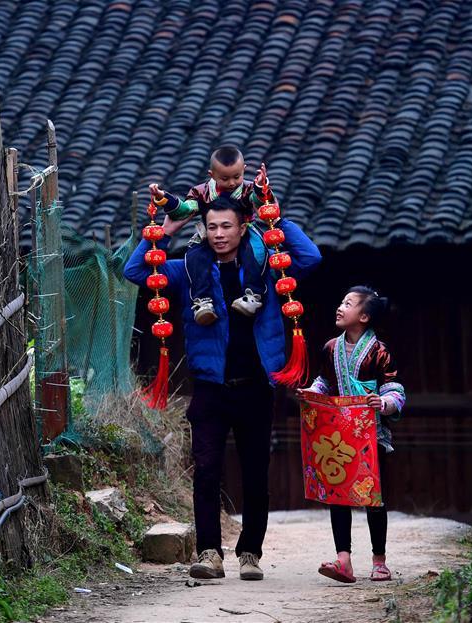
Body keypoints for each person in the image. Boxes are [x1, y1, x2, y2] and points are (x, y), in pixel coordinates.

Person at [124, 193, 321, 581]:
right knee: (207, 470)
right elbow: (135, 272)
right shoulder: (188, 270)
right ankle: (209, 553)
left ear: (242, 227)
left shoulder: (266, 269)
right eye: (211, 226)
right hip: (211, 388)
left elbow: (311, 258)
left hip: (256, 387)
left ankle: (250, 552)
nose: (218, 234)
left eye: (226, 226)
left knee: (255, 473)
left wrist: (274, 221)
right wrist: (166, 230)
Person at [300, 287, 406, 583]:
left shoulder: (379, 351)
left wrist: (383, 403)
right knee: (338, 495)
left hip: (371, 433)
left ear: (364, 316)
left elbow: (394, 389)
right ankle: (343, 560)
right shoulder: (330, 348)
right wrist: (310, 393)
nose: (340, 307)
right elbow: (324, 381)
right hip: (337, 434)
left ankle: (379, 560)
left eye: (347, 303)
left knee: (374, 498)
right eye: (341, 301)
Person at [148, 146, 270, 325]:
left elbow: (260, 203)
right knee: (194, 256)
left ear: (244, 170)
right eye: (225, 178)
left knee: (257, 251)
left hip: (244, 232)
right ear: (211, 175)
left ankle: (253, 295)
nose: (231, 183)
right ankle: (202, 301)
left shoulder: (249, 189)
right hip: (208, 236)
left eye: (237, 177)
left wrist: (260, 187)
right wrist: (164, 197)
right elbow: (185, 210)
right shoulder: (201, 192)